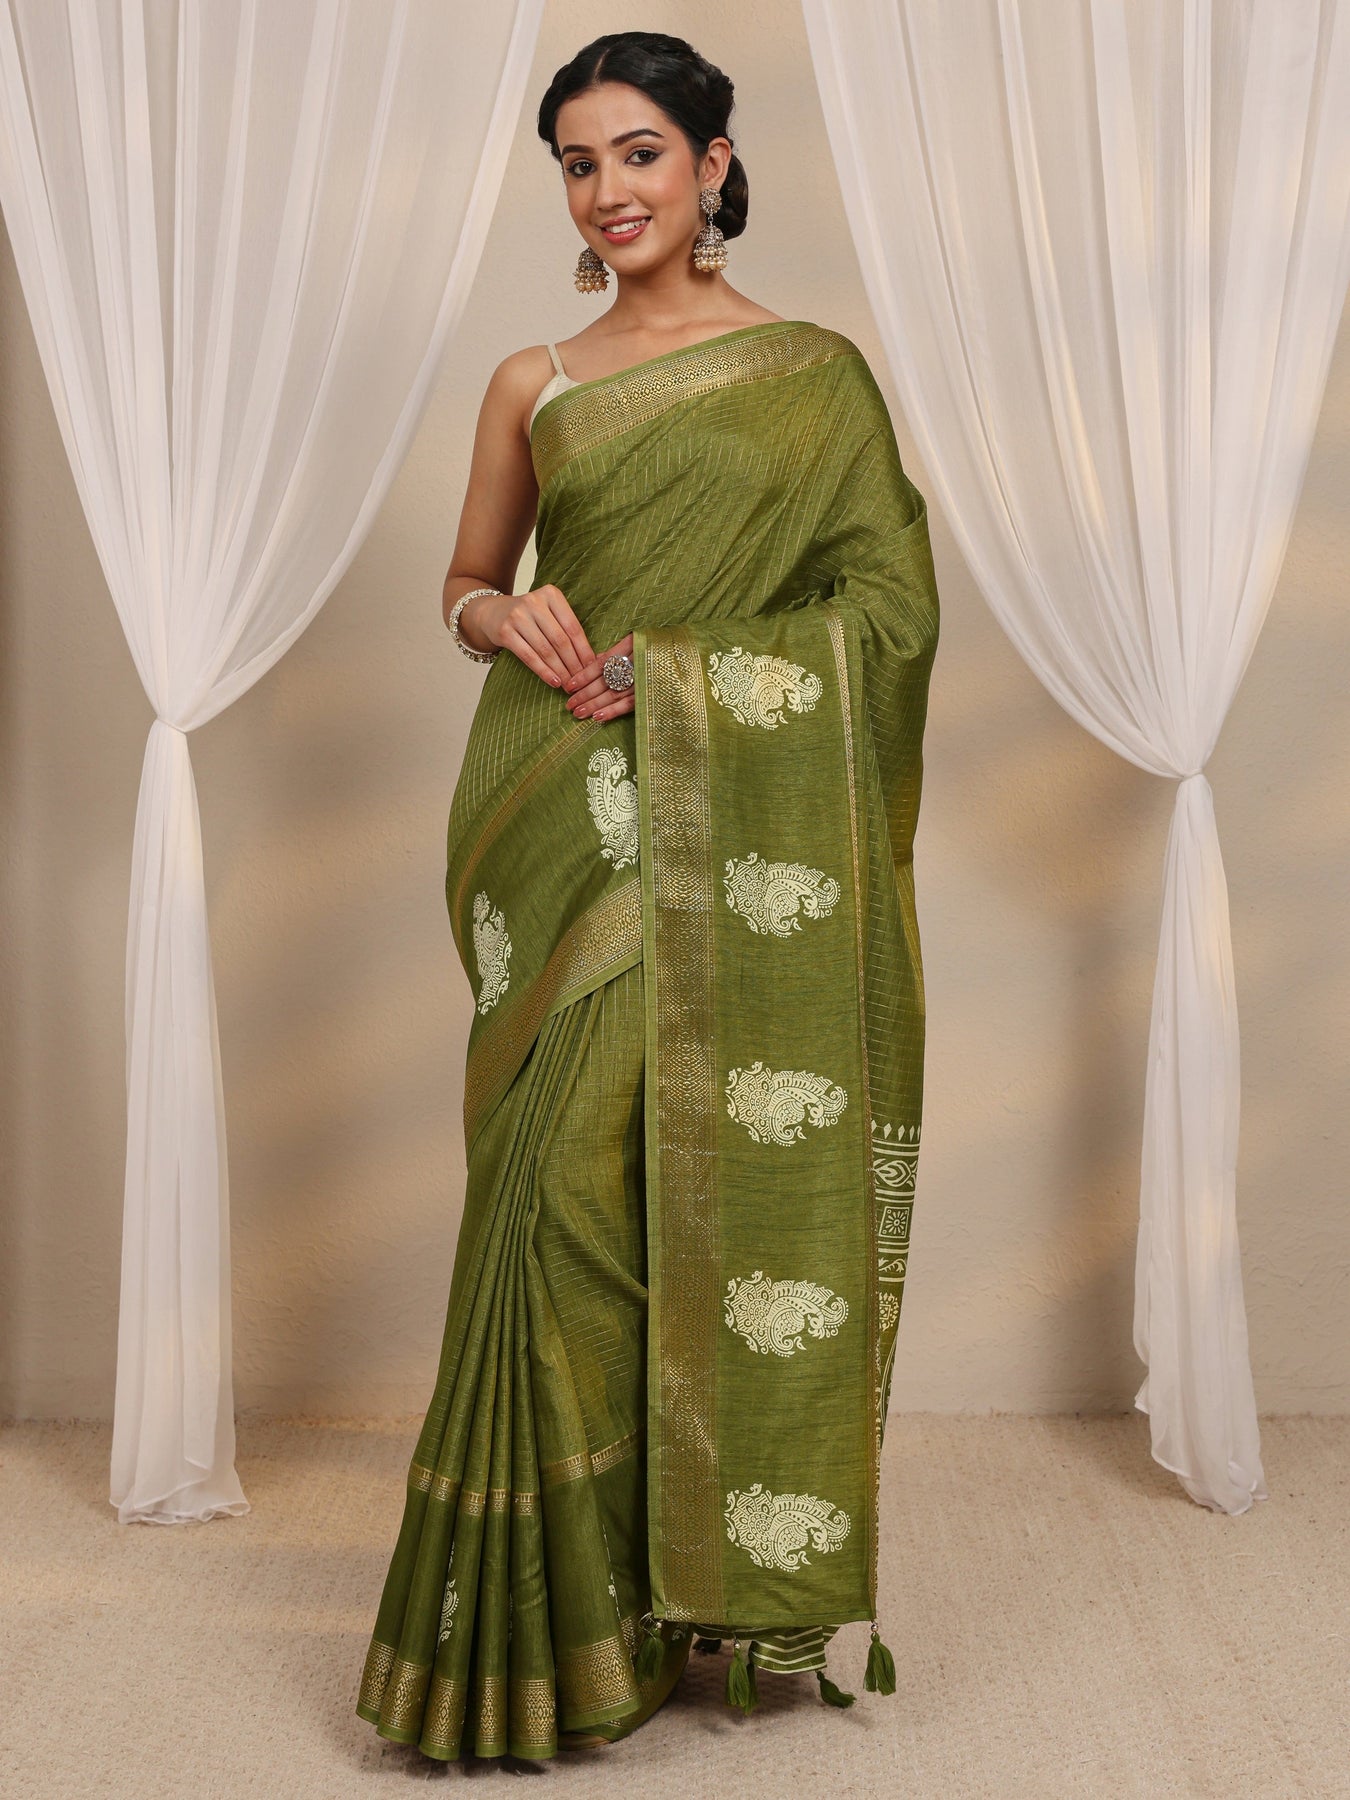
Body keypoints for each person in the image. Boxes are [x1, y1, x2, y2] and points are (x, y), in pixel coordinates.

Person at [355, 29, 939, 1764]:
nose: (607, 191)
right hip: (553, 819)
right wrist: (499, 616)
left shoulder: (813, 376)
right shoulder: (532, 381)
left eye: (637, 153)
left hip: (722, 820)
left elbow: (887, 616)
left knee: (648, 1195)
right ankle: (549, 1628)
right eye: (577, 163)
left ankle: (660, 1595)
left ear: (711, 163)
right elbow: (466, 579)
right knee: (546, 1203)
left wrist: (680, 671)